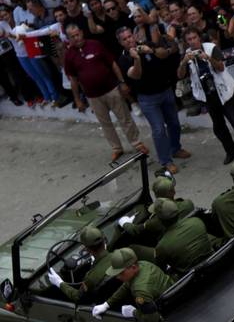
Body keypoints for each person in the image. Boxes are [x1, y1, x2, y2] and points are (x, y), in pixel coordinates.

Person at [64, 25, 149, 161]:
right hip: (93, 96)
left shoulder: (95, 45)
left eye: (77, 34)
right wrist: (77, 99)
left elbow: (113, 64)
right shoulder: (69, 55)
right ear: (69, 38)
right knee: (105, 124)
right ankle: (116, 148)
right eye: (72, 36)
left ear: (81, 32)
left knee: (125, 118)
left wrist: (121, 82)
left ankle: (137, 143)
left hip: (112, 89)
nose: (76, 38)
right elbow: (73, 79)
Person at [177, 26, 234, 163]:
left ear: (199, 38)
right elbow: (180, 75)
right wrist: (184, 62)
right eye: (189, 39)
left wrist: (207, 58)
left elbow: (220, 67)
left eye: (194, 38)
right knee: (219, 127)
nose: (192, 41)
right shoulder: (187, 54)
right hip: (208, 96)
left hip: (224, 92)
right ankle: (231, 152)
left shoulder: (211, 48)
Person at [117, 26, 190, 174]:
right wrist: (137, 59)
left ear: (134, 35)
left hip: (165, 90)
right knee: (158, 129)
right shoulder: (124, 59)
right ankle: (166, 161)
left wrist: (151, 51)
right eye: (124, 39)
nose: (129, 40)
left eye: (129, 36)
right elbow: (135, 75)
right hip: (147, 99)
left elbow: (165, 54)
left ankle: (175, 148)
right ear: (120, 42)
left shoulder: (146, 44)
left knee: (174, 123)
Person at [134, 198, 214, 277]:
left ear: (159, 220)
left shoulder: (162, 245)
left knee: (134, 248)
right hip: (212, 262)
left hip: (187, 276)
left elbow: (161, 267)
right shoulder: (197, 221)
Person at [92, 248, 173, 322]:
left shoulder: (139, 290)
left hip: (167, 312)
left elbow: (153, 319)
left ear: (133, 267)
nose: (117, 277)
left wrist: (133, 312)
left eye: (121, 273)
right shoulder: (143, 264)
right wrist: (107, 304)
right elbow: (126, 285)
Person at [46, 226, 113, 303]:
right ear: (104, 242)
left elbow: (78, 297)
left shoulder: (90, 279)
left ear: (86, 249)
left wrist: (59, 283)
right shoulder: (121, 256)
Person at [120, 175, 195, 241]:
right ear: (174, 192)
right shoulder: (188, 204)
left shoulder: (155, 221)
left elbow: (135, 230)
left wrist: (124, 222)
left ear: (156, 195)